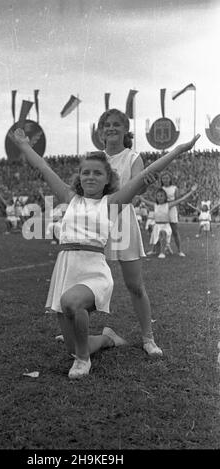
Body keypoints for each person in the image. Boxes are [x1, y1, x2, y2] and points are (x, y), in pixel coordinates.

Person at [10, 126, 199, 379]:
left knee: (72, 304)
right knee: (75, 346)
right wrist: (24, 146)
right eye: (85, 172)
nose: (90, 177)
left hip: (93, 272)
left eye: (97, 173)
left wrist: (178, 150)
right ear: (79, 176)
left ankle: (84, 362)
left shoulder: (111, 203)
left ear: (107, 179)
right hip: (66, 270)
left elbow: (146, 175)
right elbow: (44, 168)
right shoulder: (69, 196)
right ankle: (107, 339)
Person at [97, 108, 161, 356]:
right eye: (106, 125)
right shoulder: (95, 157)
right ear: (101, 131)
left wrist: (145, 182)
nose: (110, 128)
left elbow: (139, 188)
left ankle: (148, 338)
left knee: (134, 284)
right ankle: (77, 329)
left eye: (115, 124)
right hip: (97, 223)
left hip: (124, 223)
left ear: (125, 130)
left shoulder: (133, 158)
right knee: (88, 279)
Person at [140, 184, 197, 258]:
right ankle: (155, 250)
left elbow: (181, 199)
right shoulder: (155, 205)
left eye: (162, 196)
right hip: (157, 225)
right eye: (158, 196)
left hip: (165, 226)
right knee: (156, 238)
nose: (160, 198)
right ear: (156, 197)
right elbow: (144, 200)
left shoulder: (168, 205)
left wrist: (191, 191)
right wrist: (139, 196)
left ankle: (162, 252)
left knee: (162, 233)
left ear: (165, 197)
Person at [160, 172, 186, 256]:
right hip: (163, 210)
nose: (165, 180)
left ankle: (179, 250)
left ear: (170, 179)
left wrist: (177, 212)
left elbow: (177, 201)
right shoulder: (161, 188)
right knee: (162, 230)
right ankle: (163, 249)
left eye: (167, 178)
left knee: (175, 231)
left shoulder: (174, 188)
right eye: (163, 178)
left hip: (172, 210)